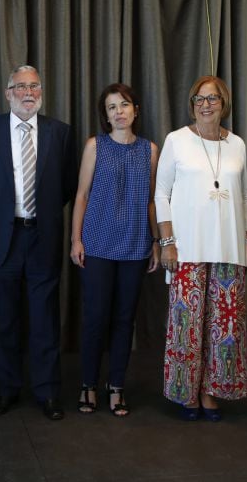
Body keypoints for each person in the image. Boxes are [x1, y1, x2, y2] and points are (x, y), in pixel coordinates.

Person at [0, 65, 78, 420]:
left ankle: (47, 391)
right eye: (21, 87)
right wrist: (2, 211)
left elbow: (67, 185)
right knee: (4, 318)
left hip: (42, 235)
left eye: (35, 87)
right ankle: (7, 389)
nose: (29, 93)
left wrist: (38, 212)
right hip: (3, 236)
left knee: (44, 317)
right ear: (8, 92)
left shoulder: (60, 133)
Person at [155, 75, 247, 422]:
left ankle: (213, 392)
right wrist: (167, 242)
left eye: (213, 98)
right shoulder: (176, 140)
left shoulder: (237, 145)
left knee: (225, 327)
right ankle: (187, 393)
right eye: (200, 98)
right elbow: (161, 193)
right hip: (187, 248)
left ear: (223, 103)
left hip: (230, 247)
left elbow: (242, 197)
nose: (206, 104)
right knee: (188, 323)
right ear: (192, 103)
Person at [70, 83, 160, 416]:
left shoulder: (150, 149)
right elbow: (81, 195)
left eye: (124, 105)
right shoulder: (96, 146)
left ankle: (117, 385)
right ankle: (88, 384)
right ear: (105, 116)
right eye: (111, 107)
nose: (118, 111)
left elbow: (151, 200)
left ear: (135, 109)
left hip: (135, 245)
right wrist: (75, 240)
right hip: (96, 244)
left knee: (125, 320)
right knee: (95, 317)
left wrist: (155, 241)